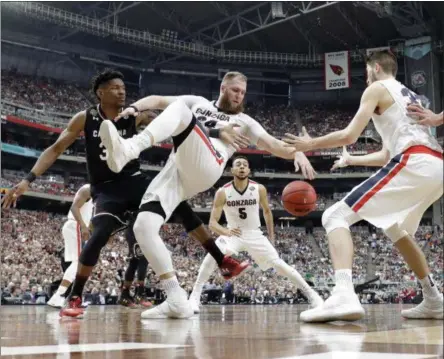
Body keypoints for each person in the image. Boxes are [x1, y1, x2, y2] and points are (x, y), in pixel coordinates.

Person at [1, 69, 245, 319]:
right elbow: (55, 149)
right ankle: (75, 297)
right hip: (106, 189)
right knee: (98, 237)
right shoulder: (84, 118)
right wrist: (27, 180)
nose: (122, 91)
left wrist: (216, 133)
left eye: (123, 87)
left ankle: (222, 260)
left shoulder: (134, 116)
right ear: (100, 92)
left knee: (182, 207)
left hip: (135, 181)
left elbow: (182, 126)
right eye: (116, 88)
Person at [98, 71, 316, 319]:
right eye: (235, 90)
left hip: (207, 164)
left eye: (243, 92)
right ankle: (176, 299)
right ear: (223, 88)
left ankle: (129, 149)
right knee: (143, 227)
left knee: (180, 110)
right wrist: (135, 108)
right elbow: (157, 99)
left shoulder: (245, 121)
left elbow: (273, 144)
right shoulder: (199, 102)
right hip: (176, 173)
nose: (239, 96)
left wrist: (295, 152)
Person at [283, 51, 443, 322]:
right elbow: (384, 155)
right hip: (435, 164)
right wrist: (351, 159)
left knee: (334, 215)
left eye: (367, 71)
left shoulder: (377, 88)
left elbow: (349, 134)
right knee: (397, 229)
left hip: (414, 161)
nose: (366, 77)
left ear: (376, 68)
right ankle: (433, 299)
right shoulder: (406, 95)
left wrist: (310, 144)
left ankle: (343, 294)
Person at [188, 156, 324, 313]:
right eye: (238, 164)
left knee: (279, 264)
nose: (242, 167)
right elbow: (212, 223)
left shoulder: (259, 189)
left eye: (245, 165)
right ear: (232, 170)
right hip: (234, 234)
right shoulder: (223, 192)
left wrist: (271, 237)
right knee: (213, 253)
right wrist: (226, 231)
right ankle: (194, 296)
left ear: (249, 170)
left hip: (254, 233)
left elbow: (267, 211)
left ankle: (312, 295)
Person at [47, 184, 93, 308]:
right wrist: (83, 226)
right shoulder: (88, 189)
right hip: (76, 225)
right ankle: (59, 295)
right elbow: (74, 208)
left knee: (76, 264)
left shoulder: (96, 194)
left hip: (75, 226)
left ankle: (71, 298)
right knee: (79, 263)